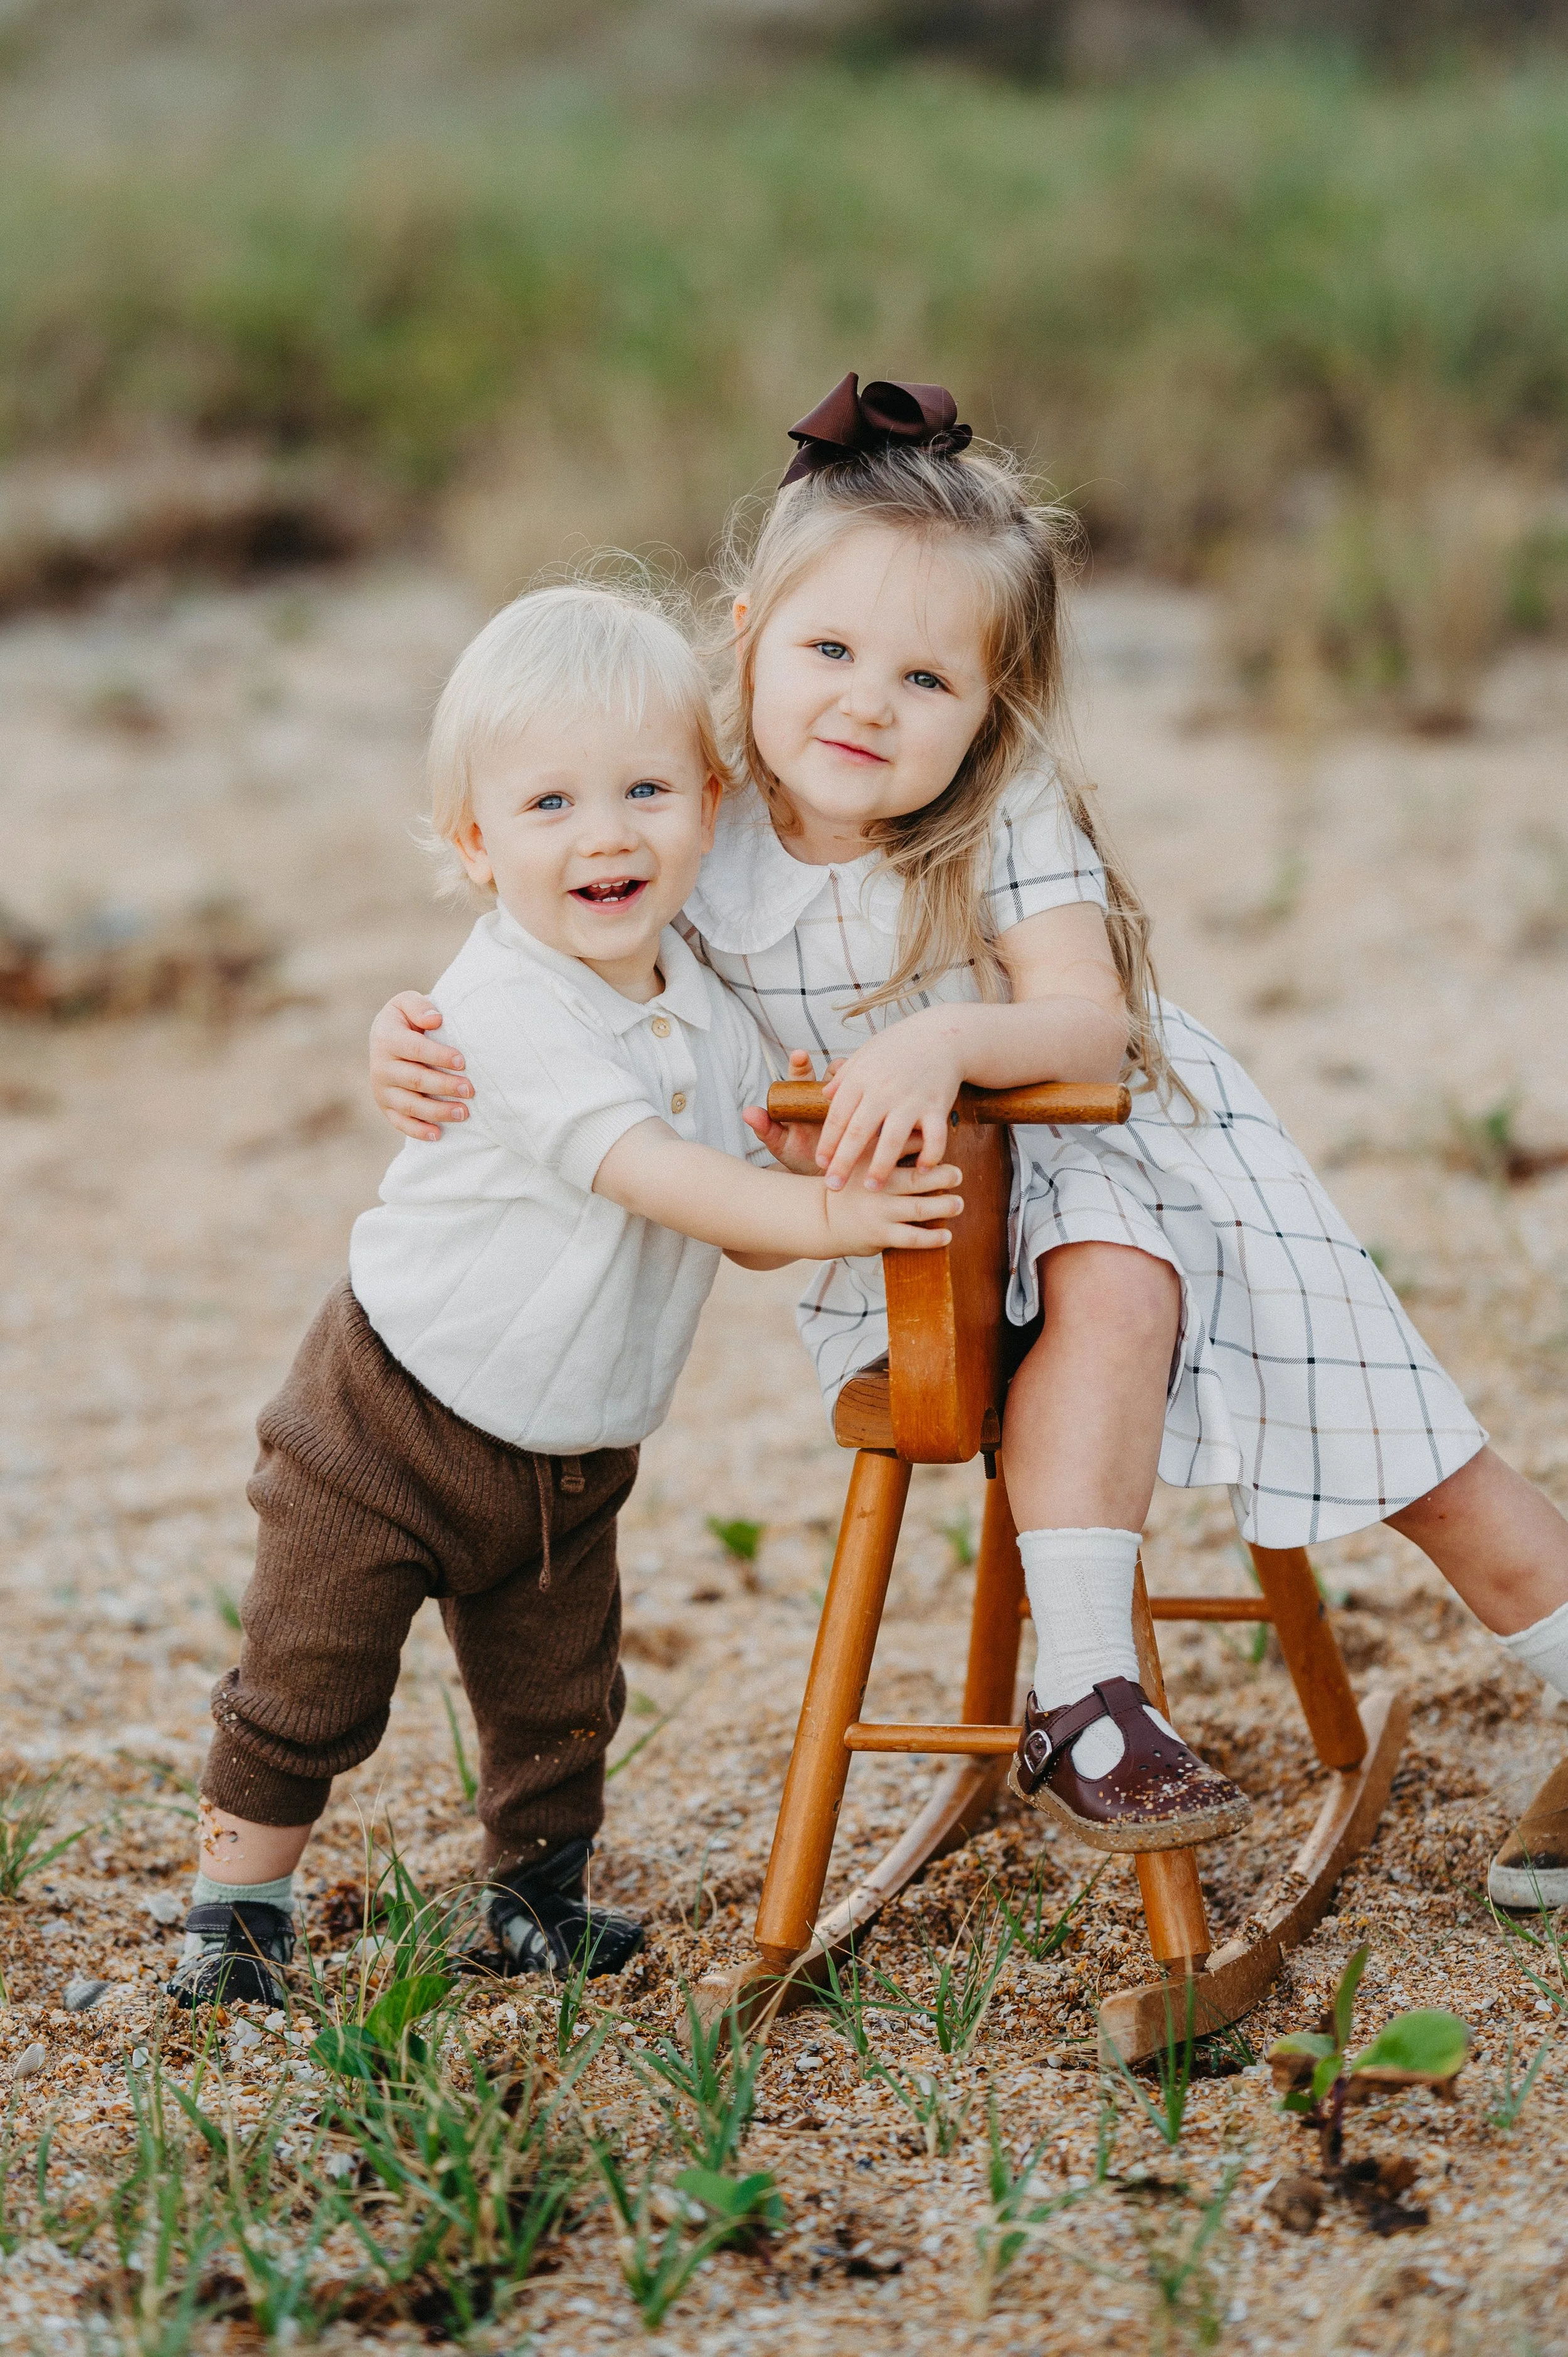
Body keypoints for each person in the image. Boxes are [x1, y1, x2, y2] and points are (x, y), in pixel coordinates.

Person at [368, 378, 1568, 1895]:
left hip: (1139, 1169)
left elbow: (1089, 1027)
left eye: (924, 680)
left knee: (1403, 1449)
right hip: (914, 1237)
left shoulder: (1000, 817)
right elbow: (544, 931)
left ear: (988, 709)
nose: (866, 701)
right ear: (743, 639)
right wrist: (415, 1031)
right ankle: (1094, 1696)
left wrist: (939, 1036)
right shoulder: (693, 809)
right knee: (1087, 1305)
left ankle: (1084, 1694)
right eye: (827, 651)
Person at [172, 581, 963, 2008]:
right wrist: (843, 1209)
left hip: (576, 1439)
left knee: (558, 1692)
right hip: (389, 1410)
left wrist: (799, 1174)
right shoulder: (503, 1003)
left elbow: (749, 1232)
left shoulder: (706, 1013)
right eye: (547, 805)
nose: (605, 833)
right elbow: (653, 1175)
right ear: (476, 845)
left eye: (646, 789)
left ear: (709, 806)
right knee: (311, 1671)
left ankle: (537, 1893)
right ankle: (236, 1909)